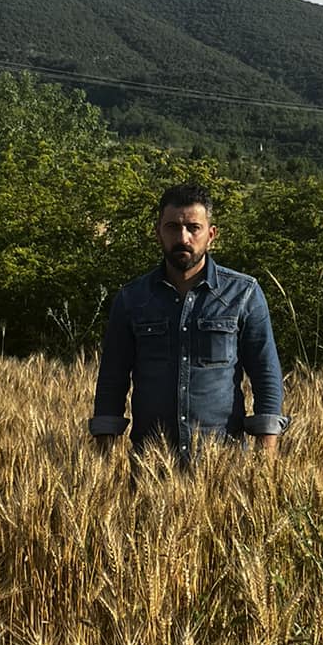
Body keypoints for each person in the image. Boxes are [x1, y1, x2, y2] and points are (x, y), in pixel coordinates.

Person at [89, 182, 288, 465]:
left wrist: (266, 454)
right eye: (172, 227)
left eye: (193, 227)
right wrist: (102, 459)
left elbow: (265, 372)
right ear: (158, 232)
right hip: (151, 463)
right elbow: (112, 378)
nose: (183, 237)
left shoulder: (243, 294)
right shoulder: (132, 299)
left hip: (223, 463)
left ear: (211, 234)